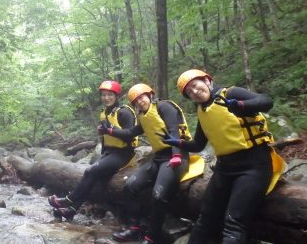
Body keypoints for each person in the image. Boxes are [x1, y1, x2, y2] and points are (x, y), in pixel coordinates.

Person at [161, 69, 285, 244]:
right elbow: (198, 145)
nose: (194, 92)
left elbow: (266, 101)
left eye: (195, 86)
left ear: (207, 81)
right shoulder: (202, 111)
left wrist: (241, 106)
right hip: (225, 168)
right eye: (189, 92)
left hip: (253, 165)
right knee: (205, 220)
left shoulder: (231, 93)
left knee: (234, 225)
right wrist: (176, 142)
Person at [111, 83, 191, 244]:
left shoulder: (164, 106)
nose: (140, 101)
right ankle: (134, 228)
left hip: (178, 155)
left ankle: (151, 237)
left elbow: (173, 130)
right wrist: (110, 131)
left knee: (158, 195)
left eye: (142, 97)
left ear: (150, 95)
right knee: (129, 187)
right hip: (159, 157)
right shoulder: (144, 116)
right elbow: (130, 133)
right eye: (136, 101)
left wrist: (176, 155)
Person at [48, 80, 138, 221]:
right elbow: (107, 135)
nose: (106, 98)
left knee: (90, 171)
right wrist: (103, 133)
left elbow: (130, 135)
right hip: (110, 153)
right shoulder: (105, 112)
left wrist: (109, 131)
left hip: (124, 154)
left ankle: (68, 200)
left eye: (110, 95)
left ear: (116, 96)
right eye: (103, 95)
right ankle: (71, 210)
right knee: (93, 176)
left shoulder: (124, 112)